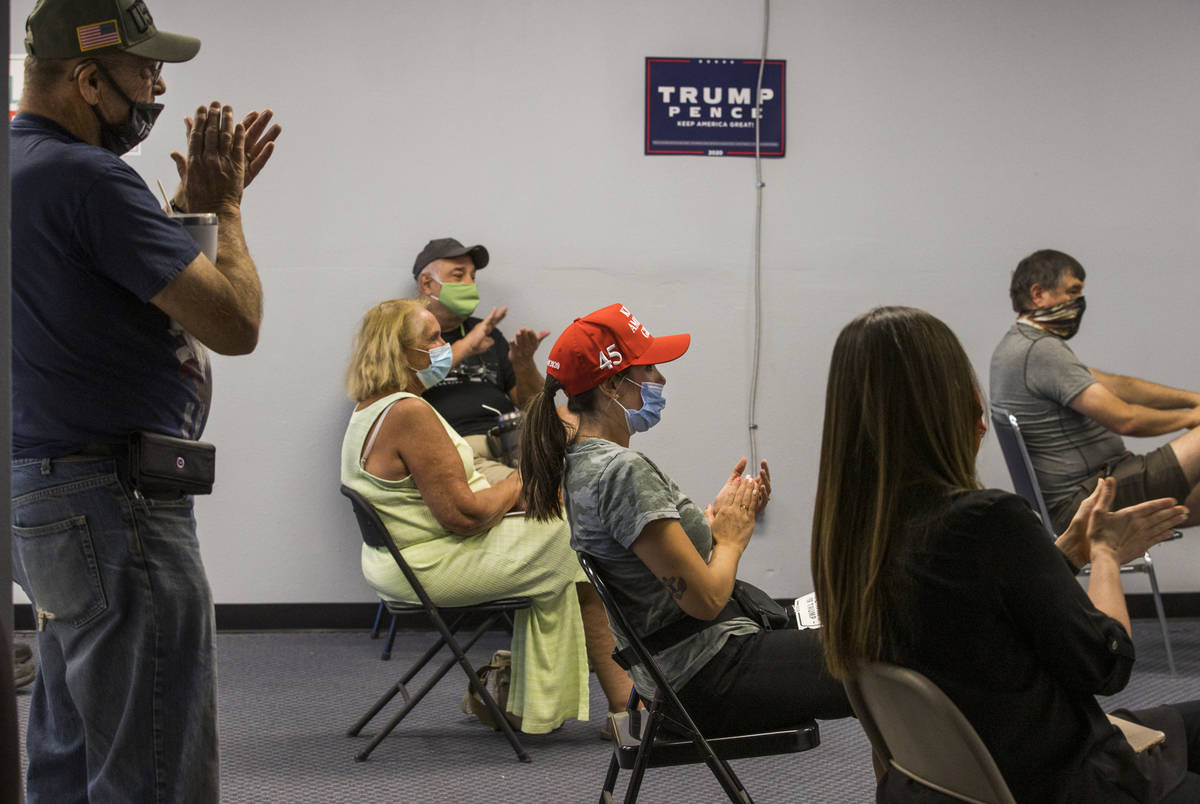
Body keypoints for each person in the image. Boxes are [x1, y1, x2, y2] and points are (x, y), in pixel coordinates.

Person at [10, 0, 281, 799]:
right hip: (113, 505)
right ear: (89, 80)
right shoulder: (87, 176)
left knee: (71, 748)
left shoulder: (22, 167)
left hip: (48, 496)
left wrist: (185, 221)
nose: (158, 88)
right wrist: (226, 211)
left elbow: (110, 295)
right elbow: (233, 322)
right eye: (145, 70)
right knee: (154, 764)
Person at [812, 305, 1200, 802]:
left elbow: (979, 618)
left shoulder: (847, 539)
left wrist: (1064, 555)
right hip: (1064, 779)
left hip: (968, 774)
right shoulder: (986, 520)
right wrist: (1106, 554)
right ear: (945, 405)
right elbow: (1107, 665)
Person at [520, 303, 852, 737]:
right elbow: (705, 601)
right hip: (706, 674)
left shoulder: (588, 463)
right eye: (650, 369)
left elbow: (658, 565)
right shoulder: (620, 472)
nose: (661, 380)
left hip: (689, 662)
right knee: (884, 653)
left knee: (859, 617)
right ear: (613, 386)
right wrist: (732, 540)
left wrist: (719, 521)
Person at [340, 299, 631, 735]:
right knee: (574, 544)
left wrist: (519, 489)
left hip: (398, 560)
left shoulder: (371, 408)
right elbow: (465, 515)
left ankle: (523, 693)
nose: (445, 347)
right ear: (399, 353)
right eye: (433, 339)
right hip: (425, 567)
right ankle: (625, 708)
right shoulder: (408, 412)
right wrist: (527, 475)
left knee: (563, 547)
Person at [989, 249, 1200, 533]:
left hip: (1103, 485)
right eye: (1072, 292)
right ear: (1038, 294)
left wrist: (1193, 400)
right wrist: (1190, 419)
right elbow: (1126, 420)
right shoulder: (1039, 351)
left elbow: (1122, 387)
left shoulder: (1023, 344)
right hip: (1088, 500)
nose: (1078, 303)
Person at [411, 237, 551, 484]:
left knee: (582, 481)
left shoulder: (487, 332)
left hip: (514, 441)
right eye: (458, 275)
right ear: (427, 283)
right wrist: (467, 347)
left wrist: (524, 364)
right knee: (544, 495)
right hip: (457, 450)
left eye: (472, 276)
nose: (470, 283)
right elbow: (393, 389)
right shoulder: (407, 336)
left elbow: (534, 405)